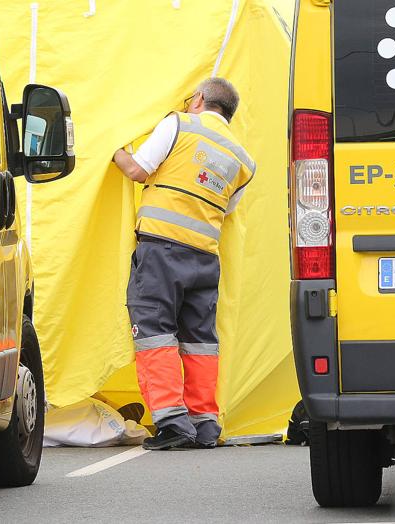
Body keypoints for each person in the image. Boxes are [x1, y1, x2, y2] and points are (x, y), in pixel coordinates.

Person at [112, 78, 255, 450]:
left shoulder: (178, 124)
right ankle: (204, 422)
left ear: (199, 99)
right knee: (199, 340)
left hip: (161, 249)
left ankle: (172, 421)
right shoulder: (243, 160)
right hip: (205, 257)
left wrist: (110, 149)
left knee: (154, 330)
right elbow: (228, 209)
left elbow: (138, 170)